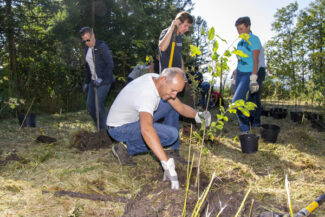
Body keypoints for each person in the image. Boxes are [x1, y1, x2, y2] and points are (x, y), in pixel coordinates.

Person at [106, 68, 211, 190]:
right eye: (173, 90)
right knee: (171, 134)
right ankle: (125, 148)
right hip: (119, 128)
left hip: (133, 119)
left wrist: (198, 116)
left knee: (170, 105)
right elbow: (147, 129)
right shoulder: (147, 94)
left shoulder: (157, 79)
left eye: (177, 92)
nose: (174, 95)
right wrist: (166, 165)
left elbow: (180, 107)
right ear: (163, 79)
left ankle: (172, 151)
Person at [157, 11, 193, 160]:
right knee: (161, 110)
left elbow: (179, 57)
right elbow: (162, 47)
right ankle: (141, 130)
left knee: (173, 112)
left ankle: (173, 149)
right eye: (185, 26)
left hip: (176, 81)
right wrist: (172, 27)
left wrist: (183, 76)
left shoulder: (179, 38)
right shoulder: (168, 33)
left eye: (188, 27)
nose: (187, 29)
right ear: (178, 22)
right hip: (166, 81)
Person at [80, 27, 114, 130]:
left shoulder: (102, 47)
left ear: (93, 35)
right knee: (90, 106)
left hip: (105, 81)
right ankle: (99, 127)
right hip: (93, 81)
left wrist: (101, 79)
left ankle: (105, 132)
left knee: (98, 104)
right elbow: (88, 67)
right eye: (84, 41)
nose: (87, 43)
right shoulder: (86, 49)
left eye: (88, 39)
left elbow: (110, 64)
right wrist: (86, 82)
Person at [232, 17, 261, 134]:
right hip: (239, 74)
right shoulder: (240, 43)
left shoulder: (254, 39)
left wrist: (253, 78)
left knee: (236, 101)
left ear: (248, 27)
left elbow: (256, 61)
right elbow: (239, 62)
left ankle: (245, 128)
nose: (239, 32)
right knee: (241, 102)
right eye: (238, 29)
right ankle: (245, 125)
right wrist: (234, 78)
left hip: (248, 74)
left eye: (241, 29)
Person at [247, 47, 266, 128]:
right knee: (251, 97)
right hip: (257, 71)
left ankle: (256, 121)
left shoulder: (255, 46)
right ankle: (251, 120)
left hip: (257, 71)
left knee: (254, 96)